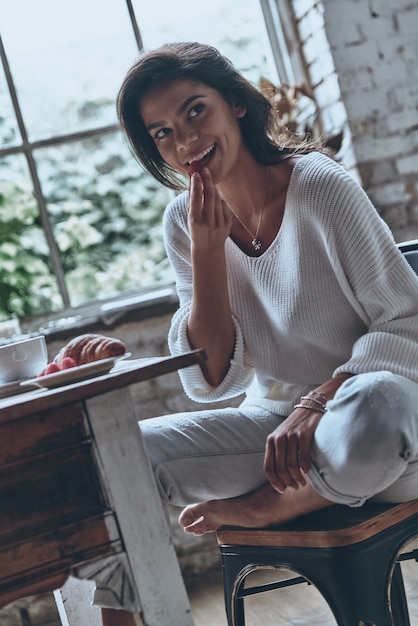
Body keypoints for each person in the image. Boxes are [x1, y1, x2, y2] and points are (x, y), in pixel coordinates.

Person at [100, 41, 418, 625]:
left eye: (196, 110)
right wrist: (205, 250)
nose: (186, 141)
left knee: (378, 405)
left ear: (236, 104)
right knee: (117, 457)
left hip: (374, 435)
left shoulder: (319, 186)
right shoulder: (183, 222)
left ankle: (265, 509)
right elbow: (214, 378)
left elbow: (407, 319)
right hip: (280, 442)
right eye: (163, 133)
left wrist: (320, 401)